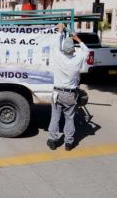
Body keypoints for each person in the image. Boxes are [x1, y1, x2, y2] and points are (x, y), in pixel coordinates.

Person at [47, 23, 89, 151]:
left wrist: (60, 31)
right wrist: (78, 39)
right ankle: (68, 143)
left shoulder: (58, 57)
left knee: (55, 118)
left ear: (63, 49)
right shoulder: (77, 59)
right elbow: (86, 51)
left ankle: (53, 141)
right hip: (70, 94)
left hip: (57, 94)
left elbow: (54, 45)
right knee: (69, 119)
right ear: (73, 49)